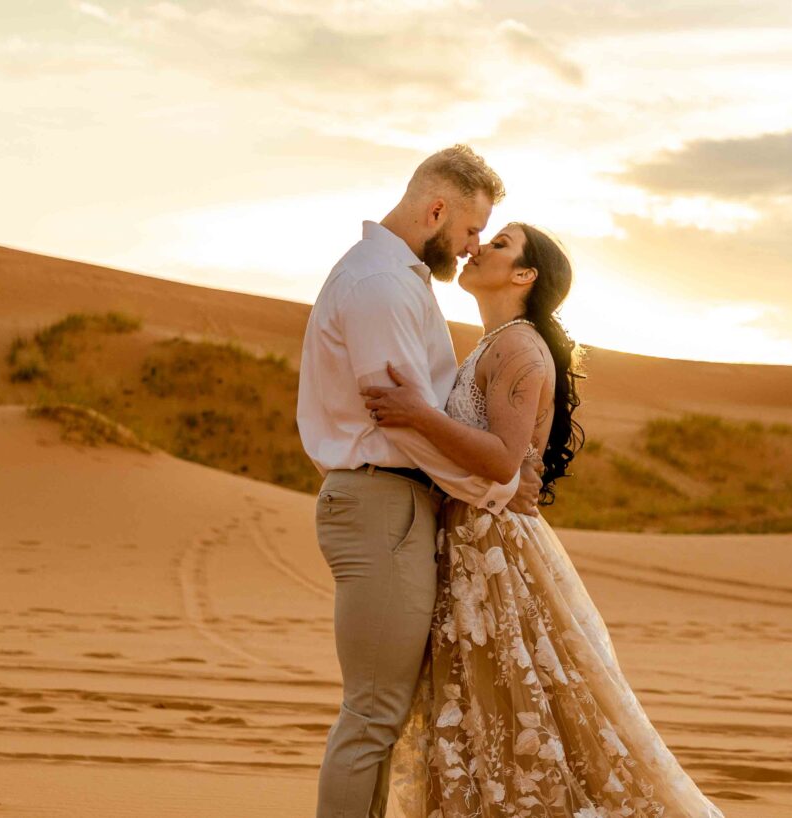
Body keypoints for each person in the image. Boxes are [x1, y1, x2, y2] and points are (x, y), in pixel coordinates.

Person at [361, 223, 726, 817]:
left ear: (525, 276)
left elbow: (503, 460)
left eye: (499, 244)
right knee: (485, 708)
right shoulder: (498, 341)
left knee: (518, 708)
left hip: (493, 547)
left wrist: (414, 415)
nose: (478, 247)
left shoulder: (517, 347)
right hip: (473, 537)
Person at [296, 145, 545, 818]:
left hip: (395, 505)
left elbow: (420, 414)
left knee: (384, 713)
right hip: (381, 501)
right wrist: (490, 489)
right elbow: (404, 423)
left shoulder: (400, 279)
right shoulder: (379, 285)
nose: (469, 248)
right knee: (374, 713)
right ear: (436, 210)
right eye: (469, 231)